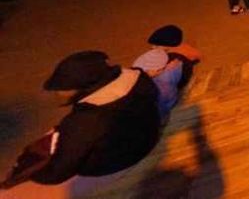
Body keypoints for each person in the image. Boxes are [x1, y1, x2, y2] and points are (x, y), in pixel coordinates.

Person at [1, 51, 160, 194]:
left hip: (120, 159)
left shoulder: (84, 121)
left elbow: (58, 172)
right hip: (148, 136)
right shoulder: (138, 78)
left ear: (83, 87)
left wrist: (36, 175)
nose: (58, 93)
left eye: (63, 88)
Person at [132, 49, 182, 121]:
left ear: (157, 70)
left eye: (145, 71)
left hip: (166, 103)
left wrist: (160, 118)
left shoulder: (161, 88)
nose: (142, 74)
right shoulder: (171, 66)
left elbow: (161, 108)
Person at [147, 24, 201, 89]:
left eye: (157, 46)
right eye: (153, 45)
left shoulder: (173, 58)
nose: (152, 47)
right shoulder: (179, 47)